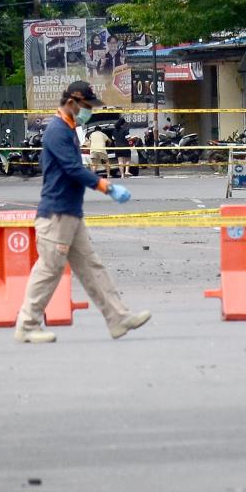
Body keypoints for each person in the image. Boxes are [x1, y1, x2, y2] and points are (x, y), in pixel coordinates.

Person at [14, 81, 151, 344]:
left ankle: (118, 318)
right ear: (71, 102)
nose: (88, 112)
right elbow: (72, 169)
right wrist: (106, 186)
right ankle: (27, 325)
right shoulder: (57, 131)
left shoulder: (67, 129)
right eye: (86, 106)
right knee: (48, 269)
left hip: (69, 213)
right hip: (57, 213)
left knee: (91, 266)